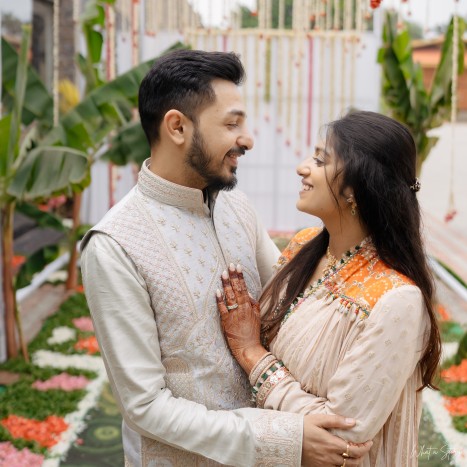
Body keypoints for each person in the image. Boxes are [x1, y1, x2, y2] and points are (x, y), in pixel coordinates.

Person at [80, 50, 373, 466]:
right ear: (177, 127)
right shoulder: (115, 245)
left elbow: (290, 305)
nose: (247, 139)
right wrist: (282, 439)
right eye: (232, 124)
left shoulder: (236, 207)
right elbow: (144, 406)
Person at [216, 110, 442, 467]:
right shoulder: (302, 247)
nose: (302, 168)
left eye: (321, 160)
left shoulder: (396, 299)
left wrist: (252, 355)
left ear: (354, 188)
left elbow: (341, 435)